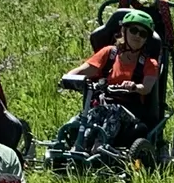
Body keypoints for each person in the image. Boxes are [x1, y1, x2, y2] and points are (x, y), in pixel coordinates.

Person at [58, 9, 161, 154]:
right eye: (134, 30)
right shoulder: (109, 53)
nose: (137, 36)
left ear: (146, 39)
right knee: (89, 115)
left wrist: (134, 86)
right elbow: (84, 70)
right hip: (102, 106)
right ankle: (78, 146)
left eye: (143, 34)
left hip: (131, 113)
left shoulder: (150, 64)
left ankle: (99, 147)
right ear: (124, 31)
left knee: (113, 110)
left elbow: (147, 87)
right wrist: (68, 78)